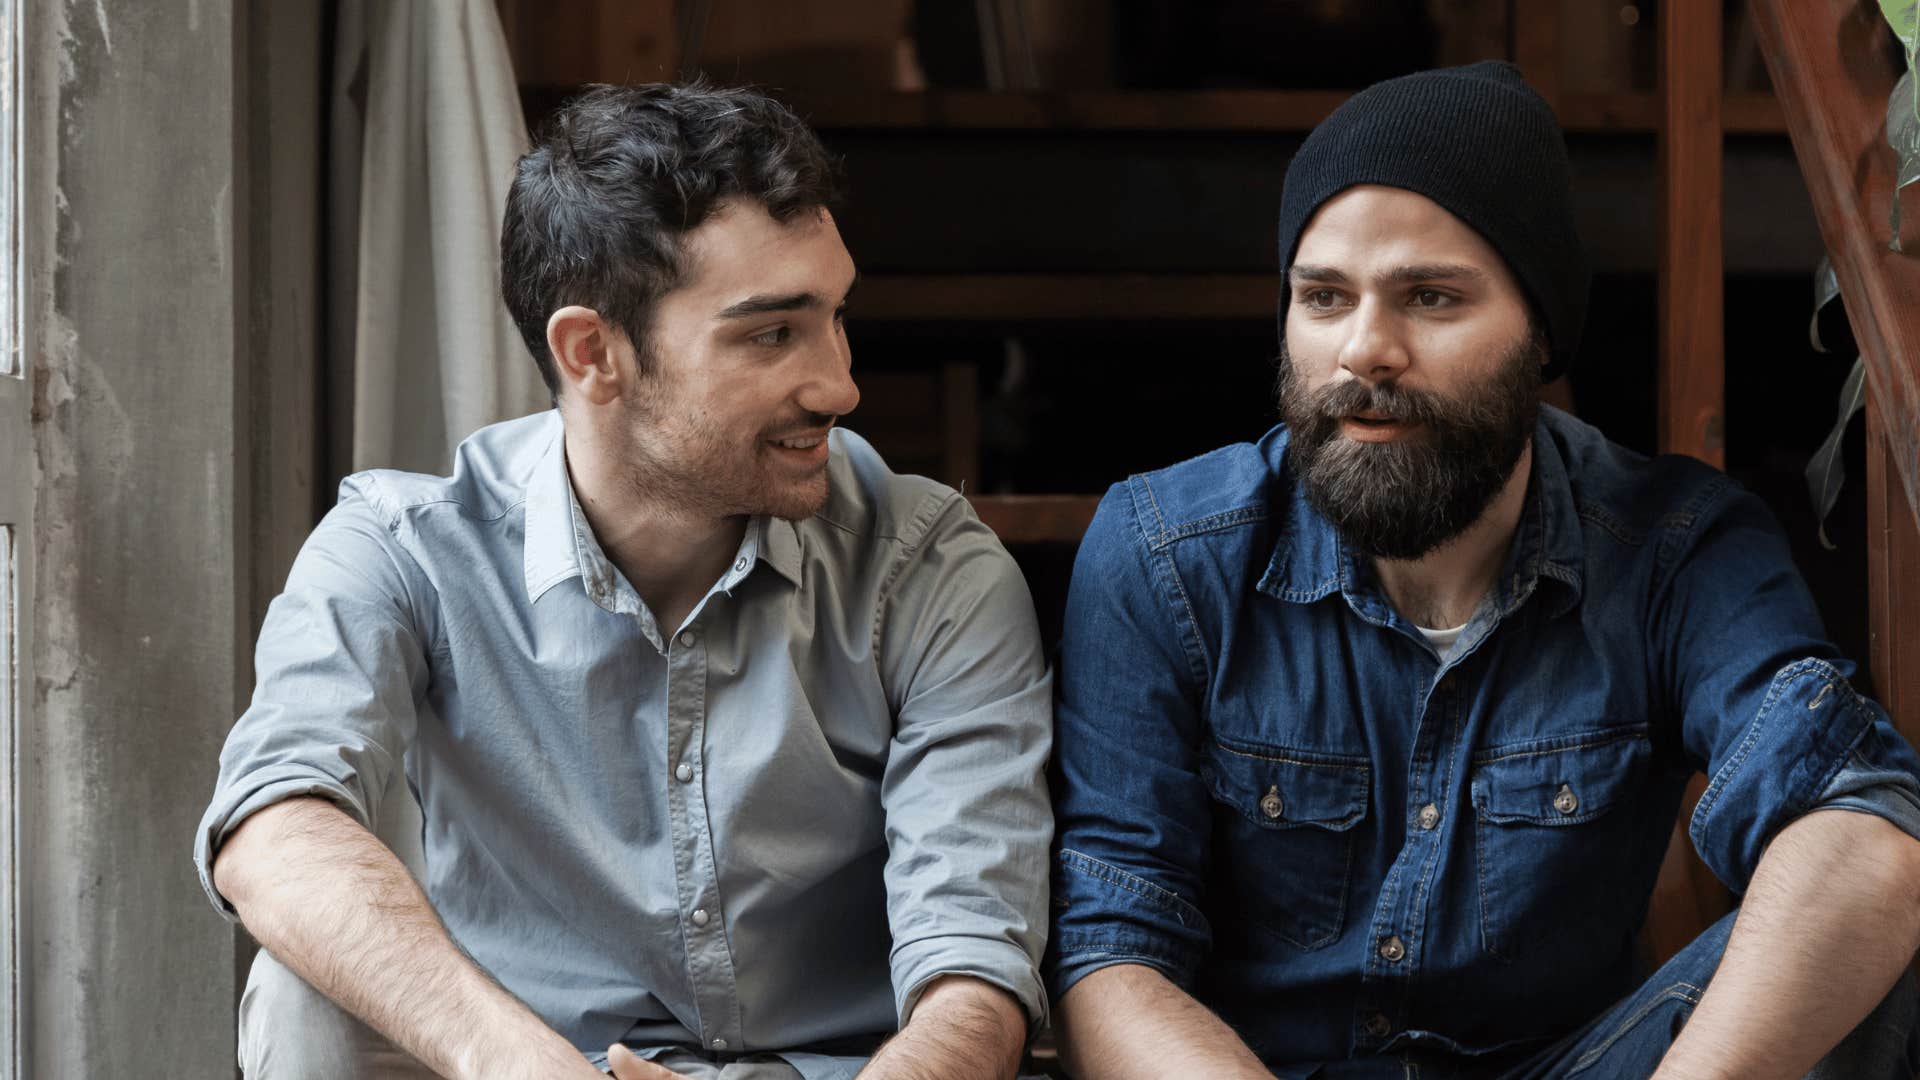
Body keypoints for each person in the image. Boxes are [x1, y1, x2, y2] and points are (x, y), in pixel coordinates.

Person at [1046, 61, 1920, 1079]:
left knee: (1874, 928)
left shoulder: (1674, 546)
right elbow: (1109, 955)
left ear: (1538, 332)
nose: (1365, 350)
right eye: (1324, 297)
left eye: (1431, 298)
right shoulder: (1164, 555)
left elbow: (1858, 824)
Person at [195, 83, 1052, 1080]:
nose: (841, 384)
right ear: (592, 353)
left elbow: (975, 973)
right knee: (302, 993)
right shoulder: (406, 547)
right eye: (772, 333)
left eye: (834, 316)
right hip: (540, 1065)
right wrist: (517, 1060)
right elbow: (274, 824)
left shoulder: (931, 563)